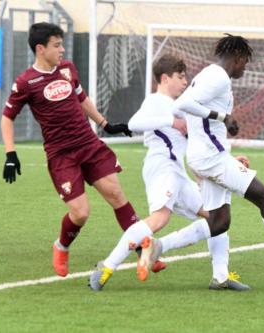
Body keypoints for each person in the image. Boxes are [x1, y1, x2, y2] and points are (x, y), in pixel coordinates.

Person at [137, 34, 264, 283]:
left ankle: (213, 275)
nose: (244, 68)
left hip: (209, 156)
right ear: (239, 57)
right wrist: (223, 118)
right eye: (245, 63)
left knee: (219, 220)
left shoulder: (209, 74)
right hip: (210, 159)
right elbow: (184, 105)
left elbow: (183, 109)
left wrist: (224, 145)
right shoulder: (218, 77)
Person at [89, 54, 249, 291]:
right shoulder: (156, 100)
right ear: (165, 78)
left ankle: (220, 276)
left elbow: (200, 137)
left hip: (177, 171)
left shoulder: (181, 106)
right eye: (180, 77)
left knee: (216, 218)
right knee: (159, 219)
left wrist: (227, 160)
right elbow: (134, 124)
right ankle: (107, 266)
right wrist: (170, 122)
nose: (185, 82)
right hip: (161, 167)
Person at [2, 22, 138, 277]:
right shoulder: (26, 82)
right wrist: (11, 154)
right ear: (40, 49)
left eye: (62, 44)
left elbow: (81, 97)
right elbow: (7, 117)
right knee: (81, 213)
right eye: (57, 45)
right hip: (61, 155)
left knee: (117, 195)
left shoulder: (67, 69)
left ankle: (144, 249)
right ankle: (62, 245)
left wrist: (104, 124)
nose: (62, 50)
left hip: (88, 145)